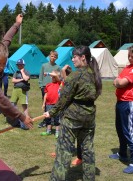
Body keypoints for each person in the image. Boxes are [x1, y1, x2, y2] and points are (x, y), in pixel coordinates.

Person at [44, 46, 102, 181]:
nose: (73, 59)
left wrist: (51, 112)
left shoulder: (75, 76)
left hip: (72, 118)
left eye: (75, 56)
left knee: (64, 151)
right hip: (89, 117)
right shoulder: (95, 74)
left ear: (83, 57)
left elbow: (64, 98)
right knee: (88, 150)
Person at [109, 45, 133, 174]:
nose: (130, 58)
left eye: (132, 56)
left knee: (129, 132)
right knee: (120, 129)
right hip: (120, 102)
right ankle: (123, 153)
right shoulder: (127, 68)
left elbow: (121, 83)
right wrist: (118, 81)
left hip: (129, 102)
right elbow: (118, 81)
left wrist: (117, 82)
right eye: (129, 55)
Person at [38, 50, 61, 128]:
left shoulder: (57, 67)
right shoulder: (44, 65)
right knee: (45, 104)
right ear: (49, 56)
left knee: (54, 104)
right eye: (52, 56)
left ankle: (54, 121)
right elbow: (40, 76)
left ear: (57, 58)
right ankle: (46, 121)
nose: (53, 58)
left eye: (55, 57)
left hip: (54, 88)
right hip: (45, 87)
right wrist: (41, 85)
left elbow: (59, 77)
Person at [40, 70, 61, 138]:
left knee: (57, 118)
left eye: (53, 77)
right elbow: (46, 94)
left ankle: (57, 132)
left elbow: (57, 76)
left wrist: (48, 73)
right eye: (52, 77)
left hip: (56, 104)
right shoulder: (48, 85)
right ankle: (48, 131)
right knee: (48, 118)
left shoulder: (59, 83)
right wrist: (44, 103)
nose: (52, 78)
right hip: (48, 104)